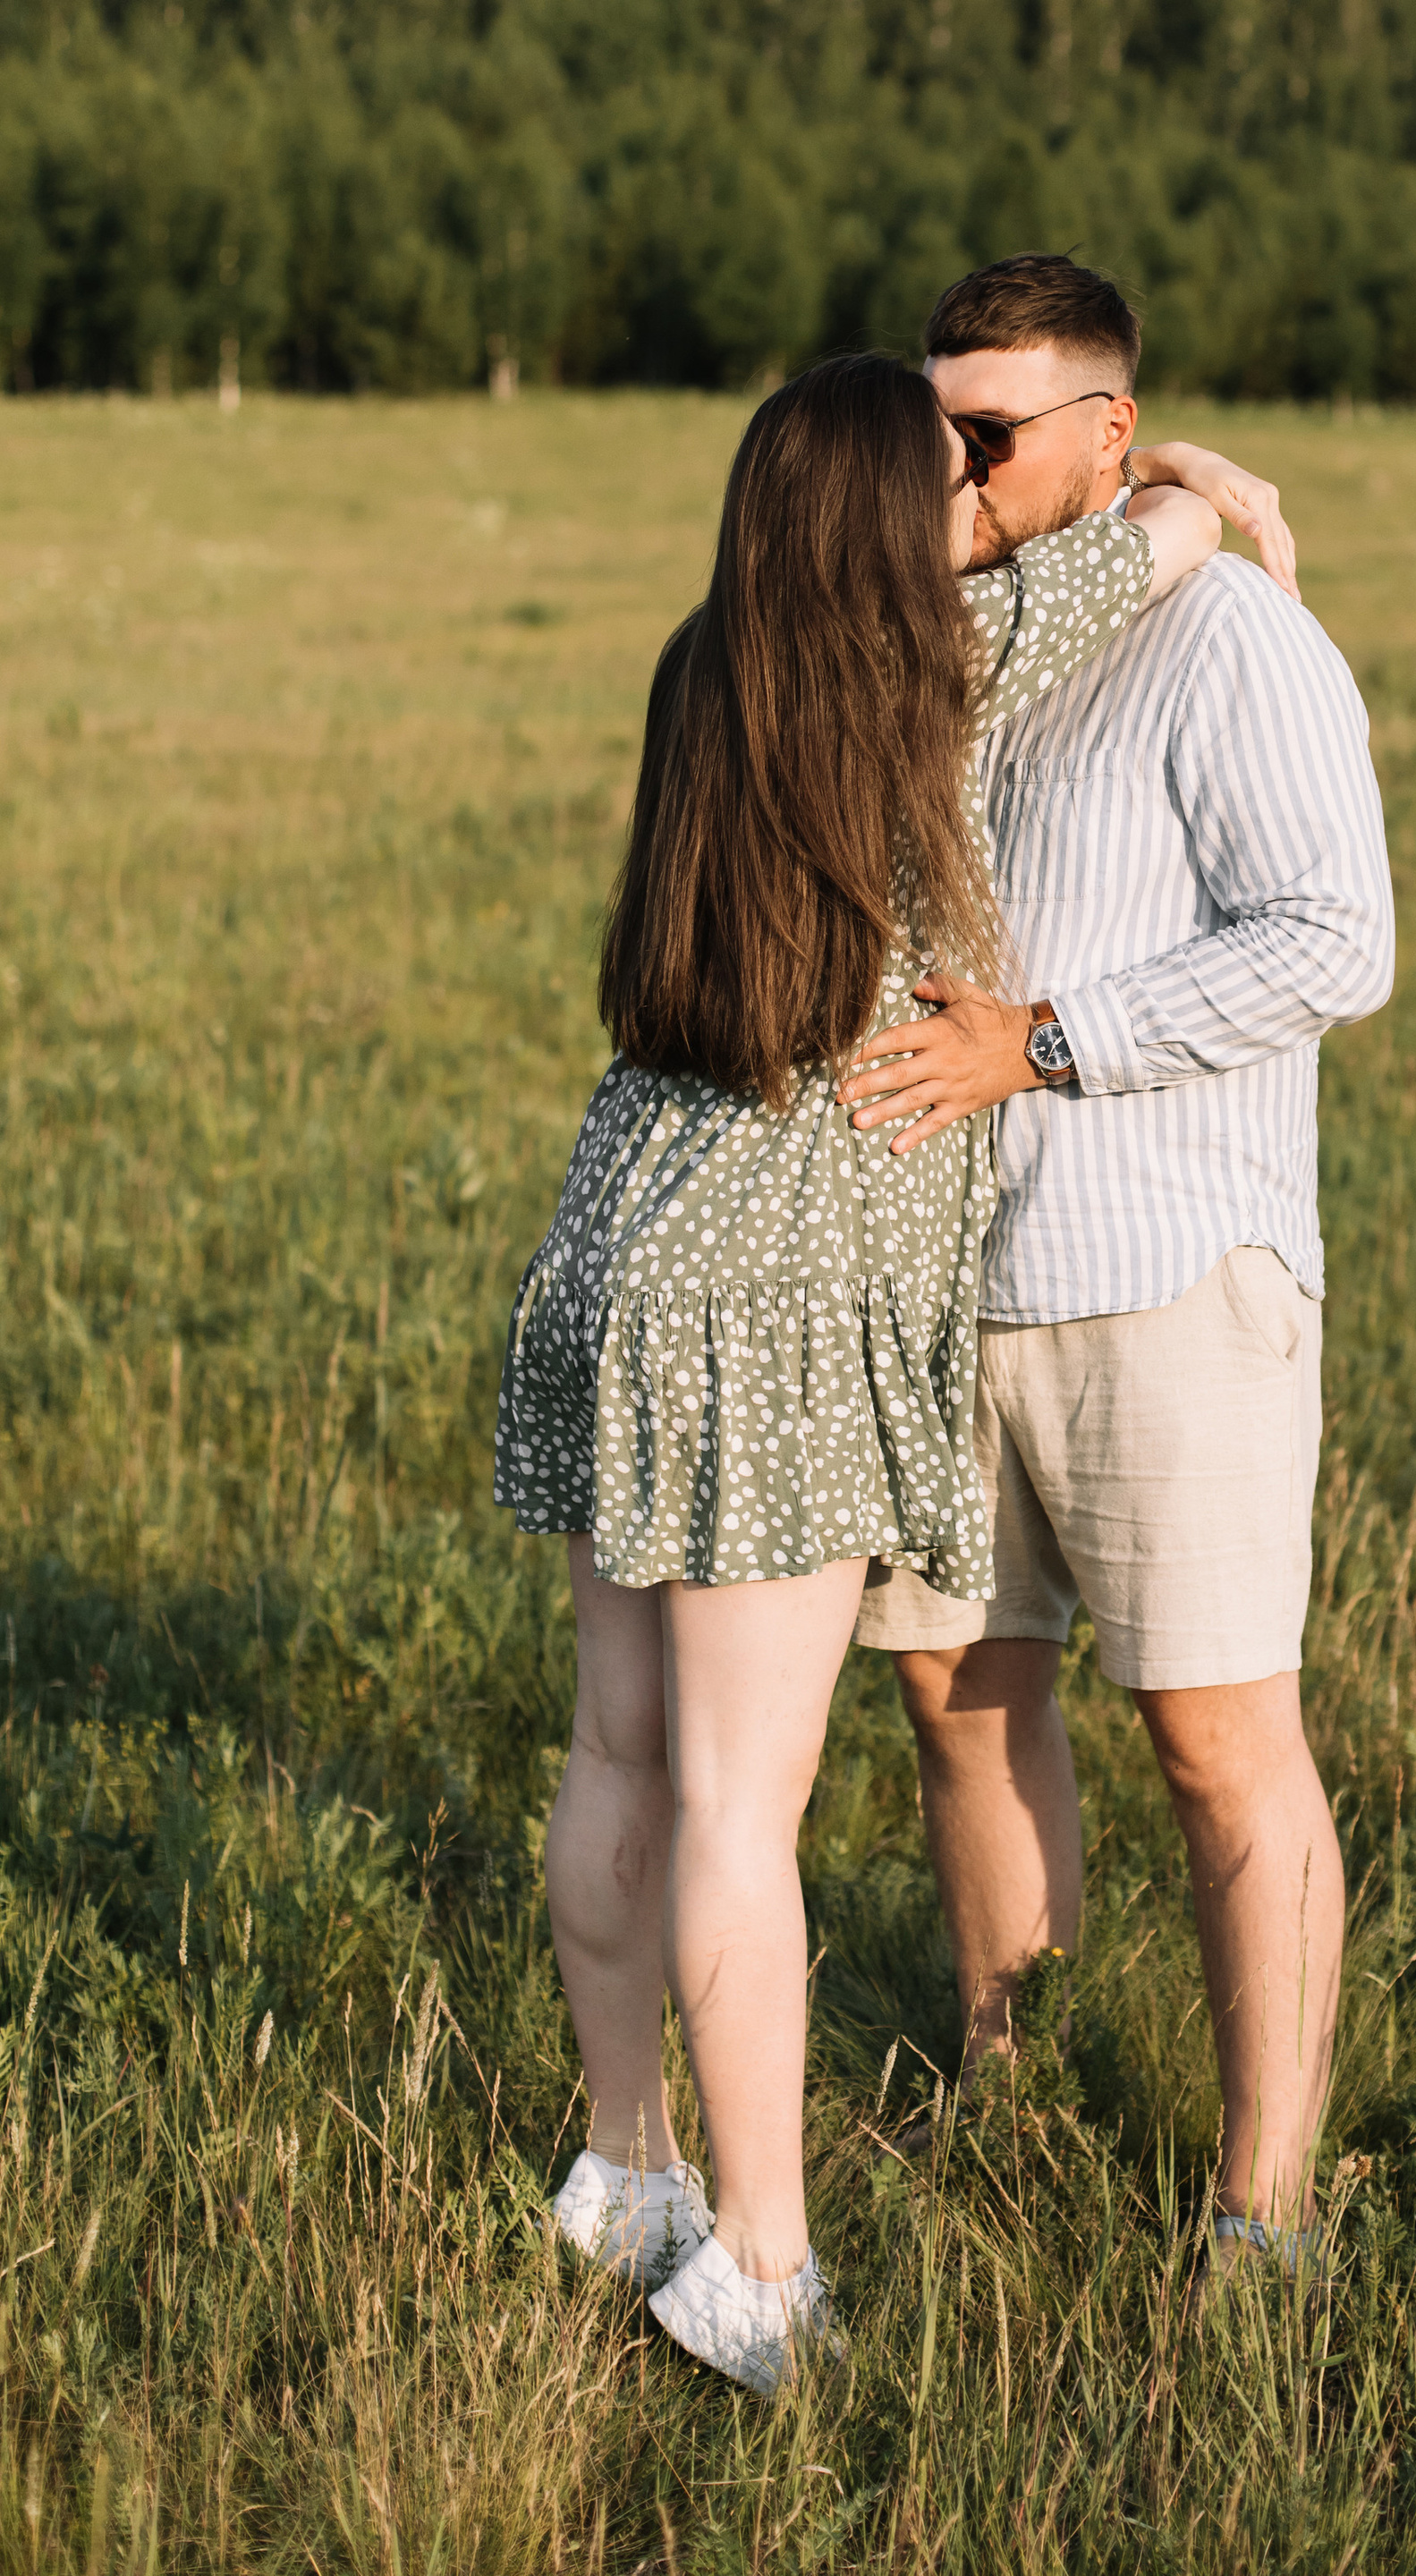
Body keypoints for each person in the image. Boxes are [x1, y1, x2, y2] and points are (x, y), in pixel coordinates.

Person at [493, 352, 1271, 2392]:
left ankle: (624, 2168)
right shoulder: (925, 666)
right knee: (742, 1801)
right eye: (952, 469)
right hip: (771, 1272)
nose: (977, 494)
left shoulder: (704, 666)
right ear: (879, 520)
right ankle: (759, 2269)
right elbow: (1159, 538)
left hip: (625, 1215)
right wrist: (1192, 476)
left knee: (618, 1751)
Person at [841, 256, 1395, 2272]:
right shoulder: (924, 639)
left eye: (988, 435)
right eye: (929, 430)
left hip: (1164, 1260)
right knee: (956, 1691)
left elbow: (1335, 940)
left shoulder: (1229, 641)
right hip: (931, 1273)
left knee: (1214, 1731)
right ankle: (1020, 2104)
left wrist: (1047, 1041)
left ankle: (1264, 2207)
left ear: (1105, 431)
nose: (952, 471)